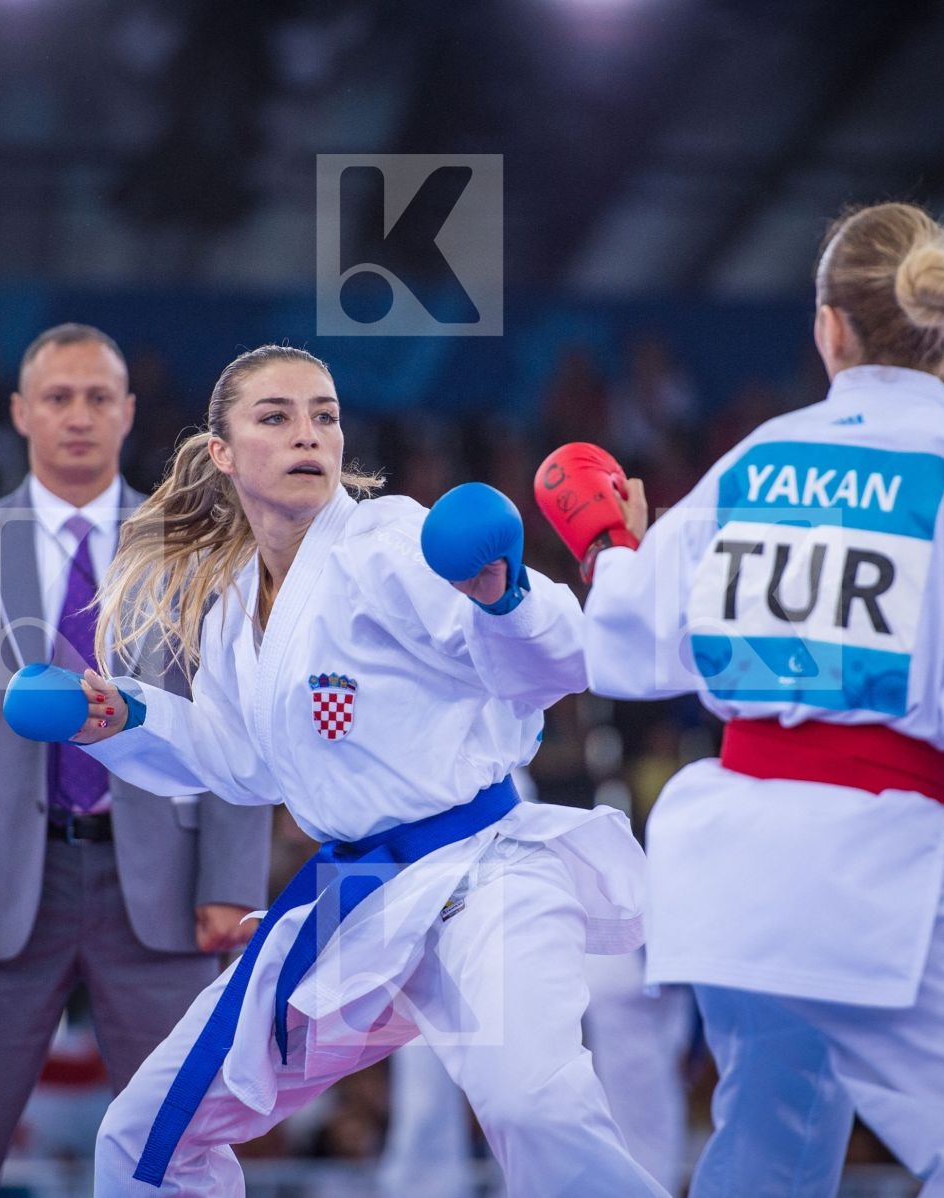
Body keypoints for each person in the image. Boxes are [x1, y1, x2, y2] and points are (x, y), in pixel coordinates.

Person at [572, 203, 944, 1195]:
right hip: (874, 871)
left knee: (772, 1143)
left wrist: (611, 549)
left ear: (829, 328)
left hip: (728, 868)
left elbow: (630, 648)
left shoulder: (756, 458)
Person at [67, 344, 664, 1196]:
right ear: (222, 454)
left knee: (538, 1112)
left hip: (482, 879)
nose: (309, 434)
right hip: (355, 900)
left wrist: (502, 597)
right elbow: (242, 763)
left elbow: (555, 663)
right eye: (276, 417)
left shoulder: (390, 542)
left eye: (326, 415)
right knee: (141, 1139)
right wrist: (126, 717)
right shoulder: (237, 600)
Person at [0, 323, 272, 1198]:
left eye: (99, 397)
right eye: (58, 398)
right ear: (20, 412)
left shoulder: (189, 544)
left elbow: (235, 713)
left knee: (188, 1134)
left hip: (164, 880)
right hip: (1, 880)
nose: (79, 416)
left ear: (130, 412)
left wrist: (233, 877)